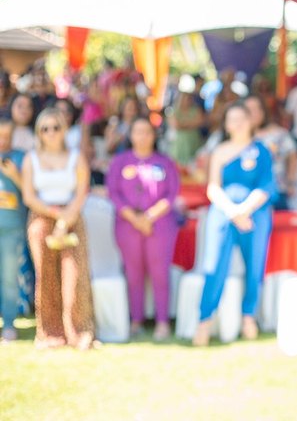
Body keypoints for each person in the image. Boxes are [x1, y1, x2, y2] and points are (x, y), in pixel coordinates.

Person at [192, 103, 274, 346]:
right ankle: (204, 320)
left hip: (255, 213)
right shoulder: (219, 151)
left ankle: (249, 317)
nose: (237, 123)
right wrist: (232, 211)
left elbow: (267, 184)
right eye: (232, 119)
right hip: (223, 211)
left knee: (255, 264)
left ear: (251, 121)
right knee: (214, 264)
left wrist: (245, 209)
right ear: (226, 124)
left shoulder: (261, 150)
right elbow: (213, 187)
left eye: (242, 118)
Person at [21, 108, 95, 349]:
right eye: (45, 128)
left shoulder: (76, 157)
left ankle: (79, 332)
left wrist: (65, 219)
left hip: (72, 216)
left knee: (75, 275)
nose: (51, 132)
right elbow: (29, 196)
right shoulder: (31, 159)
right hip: (42, 217)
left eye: (55, 127)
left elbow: (81, 190)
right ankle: (50, 333)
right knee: (46, 277)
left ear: (64, 130)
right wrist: (55, 215)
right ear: (38, 133)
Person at [106, 117, 181, 340]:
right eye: (138, 132)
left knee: (159, 273)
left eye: (147, 132)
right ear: (131, 135)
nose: (142, 136)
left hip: (160, 225)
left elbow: (171, 194)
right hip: (128, 225)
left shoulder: (164, 162)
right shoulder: (120, 162)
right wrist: (135, 219)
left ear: (153, 135)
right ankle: (136, 320)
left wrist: (149, 217)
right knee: (134, 273)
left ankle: (162, 322)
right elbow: (114, 193)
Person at [244, 95, 297, 210]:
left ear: (263, 111)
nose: (252, 113)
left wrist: (291, 182)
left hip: (276, 191)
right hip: (245, 193)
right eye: (248, 110)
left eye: (256, 109)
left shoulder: (278, 134)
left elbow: (293, 155)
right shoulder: (235, 137)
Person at [0, 119, 26, 342]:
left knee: (9, 277)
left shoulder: (21, 157)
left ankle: (9, 323)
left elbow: (30, 192)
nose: (3, 139)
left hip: (12, 228)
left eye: (7, 134)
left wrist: (14, 175)